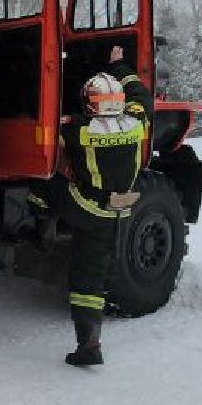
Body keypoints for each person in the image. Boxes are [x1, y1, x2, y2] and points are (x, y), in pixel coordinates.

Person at [47, 46, 151, 366]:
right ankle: (89, 342)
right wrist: (120, 66)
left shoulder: (78, 130)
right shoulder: (136, 124)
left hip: (85, 207)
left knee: (44, 181)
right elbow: (142, 98)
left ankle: (37, 220)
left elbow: (51, 146)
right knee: (92, 274)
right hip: (118, 210)